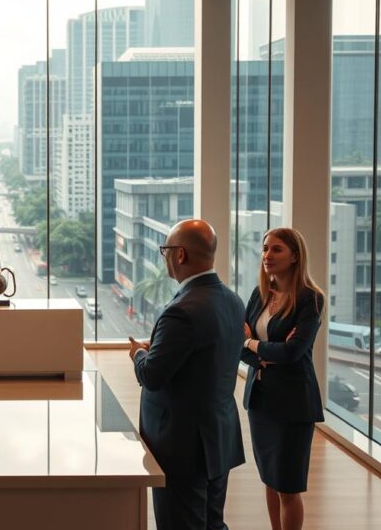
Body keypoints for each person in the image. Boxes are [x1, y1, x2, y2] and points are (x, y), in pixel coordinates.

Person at [128, 219, 245, 530]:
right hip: (218, 436)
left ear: (179, 255)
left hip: (181, 446)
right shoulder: (233, 301)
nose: (163, 257)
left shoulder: (182, 310)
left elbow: (152, 376)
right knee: (212, 523)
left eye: (165, 250)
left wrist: (139, 354)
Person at [240, 228, 325, 530]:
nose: (267, 255)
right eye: (265, 249)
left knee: (288, 486)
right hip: (261, 402)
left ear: (295, 256)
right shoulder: (259, 294)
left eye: (276, 249)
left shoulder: (310, 300)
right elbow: (240, 347)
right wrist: (262, 351)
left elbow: (292, 352)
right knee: (270, 479)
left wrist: (253, 344)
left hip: (293, 406)